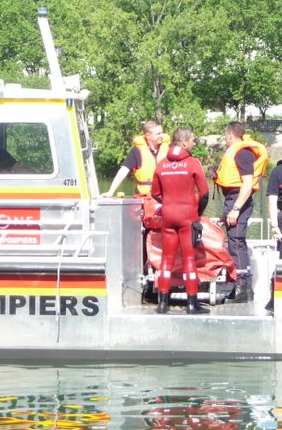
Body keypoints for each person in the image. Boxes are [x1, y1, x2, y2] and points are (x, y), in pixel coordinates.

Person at [150, 128, 210, 315]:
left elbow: (155, 193)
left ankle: (162, 303)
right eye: (193, 140)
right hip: (187, 217)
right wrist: (196, 213)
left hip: (168, 217)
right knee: (189, 260)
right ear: (183, 143)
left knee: (166, 260)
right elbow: (205, 193)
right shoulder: (193, 163)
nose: (194, 144)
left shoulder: (161, 164)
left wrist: (169, 204)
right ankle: (192, 304)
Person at [214, 122, 268, 303]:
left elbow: (247, 183)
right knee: (234, 241)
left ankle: (242, 287)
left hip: (239, 200)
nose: (225, 140)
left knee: (236, 242)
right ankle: (239, 285)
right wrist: (228, 211)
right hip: (233, 199)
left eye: (225, 136)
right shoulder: (237, 152)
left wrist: (236, 209)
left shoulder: (242, 153)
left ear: (230, 136)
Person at [101, 121, 170, 197]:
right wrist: (110, 192)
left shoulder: (169, 149)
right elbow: (123, 171)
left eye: (162, 132)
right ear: (148, 135)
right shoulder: (137, 152)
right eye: (158, 133)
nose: (162, 135)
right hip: (144, 197)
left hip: (165, 196)